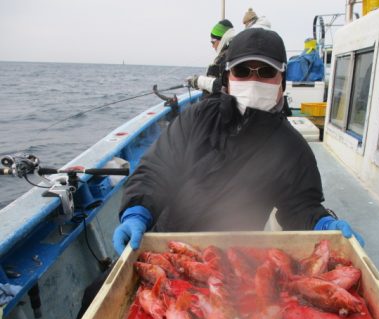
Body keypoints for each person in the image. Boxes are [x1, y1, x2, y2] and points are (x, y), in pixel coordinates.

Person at [113, 28, 365, 255]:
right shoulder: (196, 118)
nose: (254, 81)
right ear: (227, 77)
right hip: (167, 242)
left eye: (266, 72)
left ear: (282, 81)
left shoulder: (291, 147)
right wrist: (137, 212)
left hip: (235, 258)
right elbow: (157, 170)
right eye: (242, 71)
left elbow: (300, 206)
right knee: (95, 293)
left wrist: (323, 224)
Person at [186, 19, 235, 94]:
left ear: (222, 39)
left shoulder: (226, 58)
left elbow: (224, 86)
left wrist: (198, 81)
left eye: (213, 42)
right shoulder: (234, 53)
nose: (212, 46)